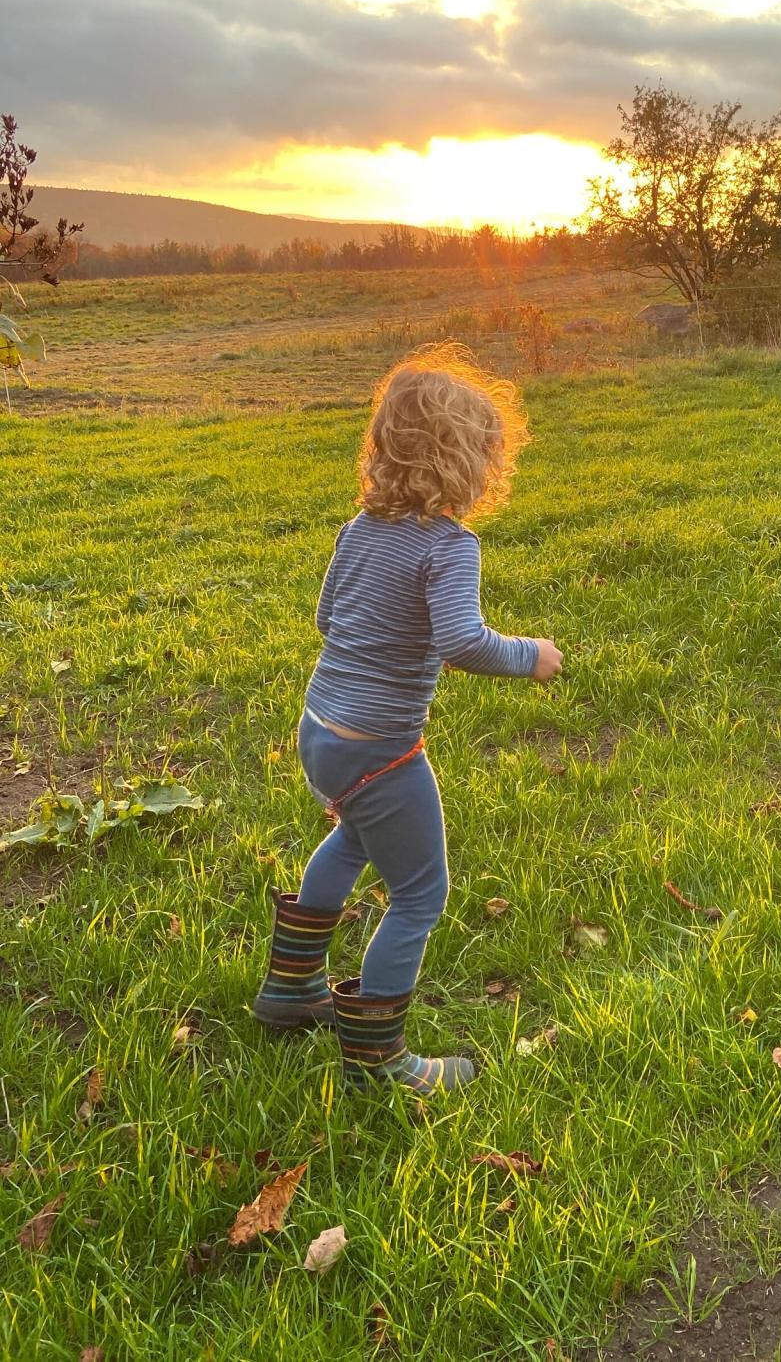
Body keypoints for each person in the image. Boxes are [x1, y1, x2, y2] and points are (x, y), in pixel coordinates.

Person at [251, 345, 561, 1094]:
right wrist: (531, 654)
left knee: (352, 836)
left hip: (320, 728)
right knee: (420, 892)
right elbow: (460, 640)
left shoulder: (359, 530)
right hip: (382, 752)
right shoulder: (450, 546)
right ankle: (378, 1061)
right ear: (465, 461)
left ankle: (290, 991)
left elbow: (328, 615)